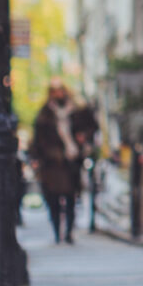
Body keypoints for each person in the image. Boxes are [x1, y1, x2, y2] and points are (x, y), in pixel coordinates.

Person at [30, 79, 98, 245]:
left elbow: (92, 126)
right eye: (54, 90)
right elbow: (37, 139)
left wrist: (83, 137)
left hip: (71, 161)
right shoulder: (45, 114)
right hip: (51, 163)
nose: (58, 93)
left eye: (60, 90)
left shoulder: (77, 111)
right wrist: (36, 159)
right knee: (53, 198)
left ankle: (68, 232)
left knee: (70, 197)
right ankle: (56, 231)